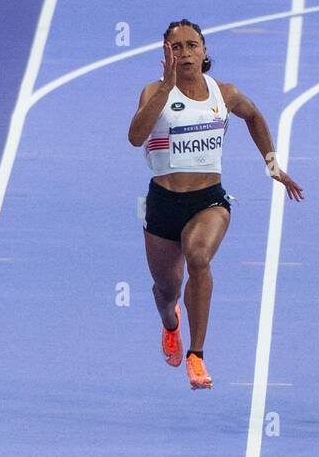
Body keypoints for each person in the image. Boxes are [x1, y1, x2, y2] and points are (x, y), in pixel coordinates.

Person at [129, 19, 303, 389]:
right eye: (176, 47)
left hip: (209, 202)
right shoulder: (153, 93)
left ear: (205, 51)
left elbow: (254, 115)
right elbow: (135, 137)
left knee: (198, 257)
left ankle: (197, 356)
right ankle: (170, 323)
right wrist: (166, 88)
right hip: (162, 203)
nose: (185, 53)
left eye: (192, 45)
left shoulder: (223, 94)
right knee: (166, 290)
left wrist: (272, 165)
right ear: (166, 54)